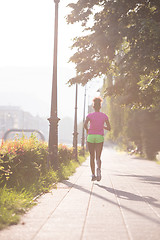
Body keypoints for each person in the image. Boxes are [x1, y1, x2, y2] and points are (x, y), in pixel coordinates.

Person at [84, 97, 111, 181]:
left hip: (91, 137)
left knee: (92, 156)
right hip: (99, 137)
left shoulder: (90, 116)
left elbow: (85, 125)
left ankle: (93, 174)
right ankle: (98, 169)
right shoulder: (104, 116)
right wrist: (102, 126)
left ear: (93, 106)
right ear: (100, 106)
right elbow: (109, 128)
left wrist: (88, 131)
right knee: (98, 157)